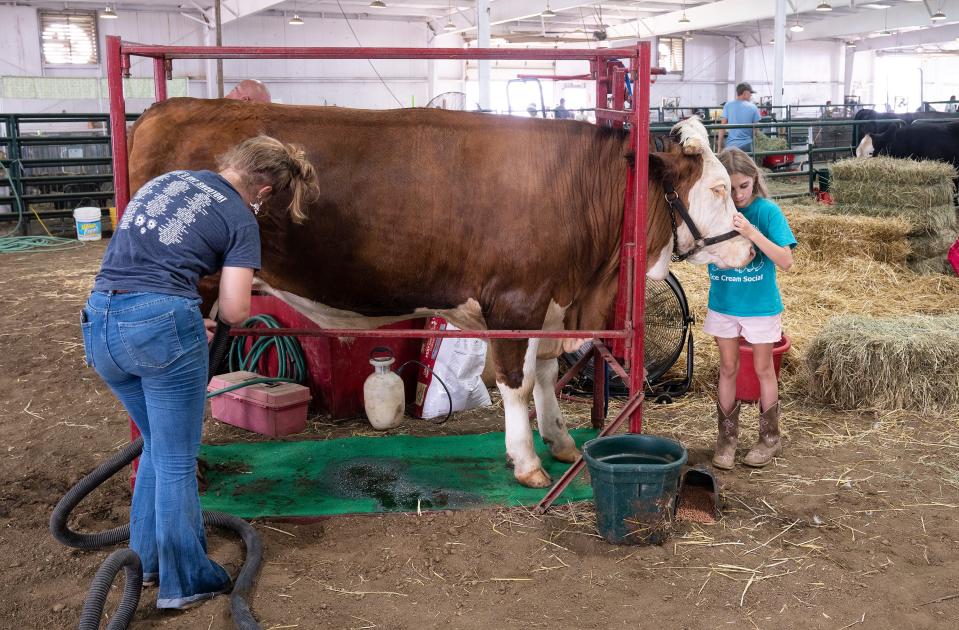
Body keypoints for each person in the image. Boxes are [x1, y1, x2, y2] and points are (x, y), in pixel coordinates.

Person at [80, 136, 319, 609]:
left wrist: (181, 314)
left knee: (156, 445)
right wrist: (186, 317)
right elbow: (234, 308)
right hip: (159, 328)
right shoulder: (238, 216)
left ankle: (146, 562)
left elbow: (144, 263)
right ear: (265, 190)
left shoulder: (167, 182)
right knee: (174, 457)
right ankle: (185, 580)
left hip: (100, 322)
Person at [708, 148, 797, 471]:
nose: (738, 194)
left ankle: (769, 438)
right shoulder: (715, 212)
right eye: (730, 189)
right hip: (724, 302)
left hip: (759, 306)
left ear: (754, 180)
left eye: (743, 186)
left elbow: (786, 261)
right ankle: (726, 439)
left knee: (763, 369)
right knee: (727, 368)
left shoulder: (767, 212)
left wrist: (749, 232)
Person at [717, 82, 761, 153]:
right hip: (747, 146)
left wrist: (719, 147)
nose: (750, 96)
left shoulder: (728, 105)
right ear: (745, 93)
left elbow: (722, 127)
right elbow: (756, 130)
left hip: (731, 146)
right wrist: (758, 144)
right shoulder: (753, 107)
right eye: (750, 93)